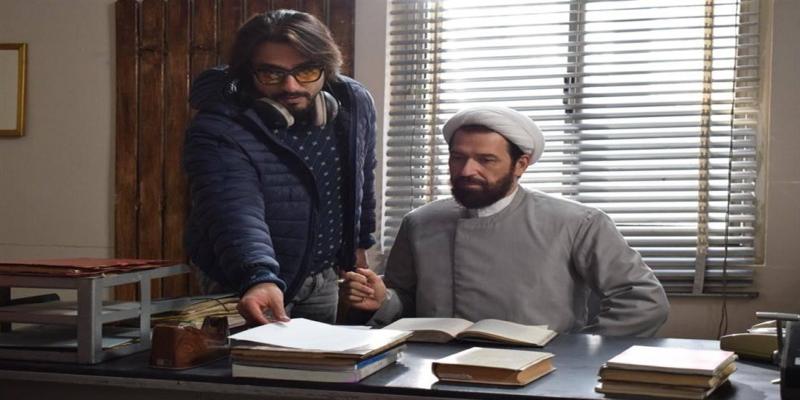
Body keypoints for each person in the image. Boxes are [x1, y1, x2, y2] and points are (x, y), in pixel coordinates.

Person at [343, 106, 669, 337]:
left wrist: (578, 349)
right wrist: (383, 299)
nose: (467, 170)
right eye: (458, 158)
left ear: (521, 164)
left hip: (541, 372)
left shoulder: (579, 223)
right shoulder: (420, 222)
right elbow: (406, 300)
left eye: (486, 160)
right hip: (433, 370)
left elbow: (643, 301)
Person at [183, 9, 377, 325]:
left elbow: (362, 176)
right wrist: (257, 276)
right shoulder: (219, 124)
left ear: (327, 69)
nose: (291, 86)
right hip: (241, 277)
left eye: (306, 71)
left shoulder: (354, 103)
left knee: (318, 357)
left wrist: (358, 246)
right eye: (271, 74)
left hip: (321, 275)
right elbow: (233, 207)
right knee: (247, 358)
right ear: (247, 74)